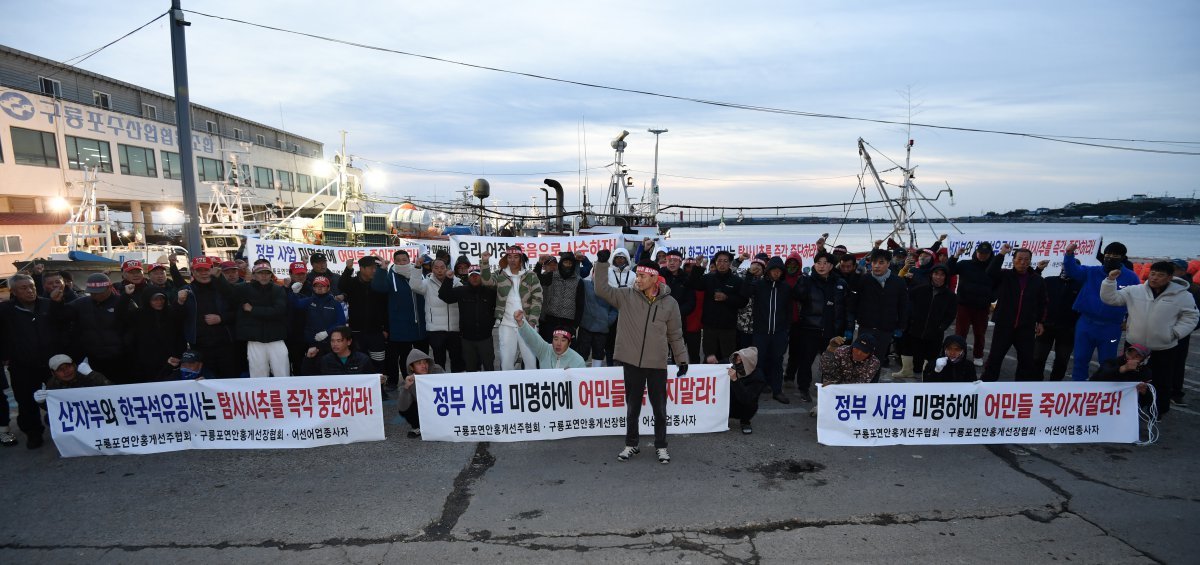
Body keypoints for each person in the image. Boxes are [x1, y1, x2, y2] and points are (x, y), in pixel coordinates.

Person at [594, 253, 688, 465]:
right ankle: (631, 443)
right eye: (637, 275)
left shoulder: (670, 303)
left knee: (660, 409)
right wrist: (601, 264)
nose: (638, 279)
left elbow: (675, 334)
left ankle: (661, 446)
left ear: (655, 278)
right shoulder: (626, 295)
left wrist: (682, 360)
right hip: (632, 363)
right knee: (632, 407)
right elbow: (601, 289)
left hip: (657, 364)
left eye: (643, 276)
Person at [1100, 262, 1199, 416]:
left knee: (1162, 380)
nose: (1154, 278)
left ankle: (1158, 411)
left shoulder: (1183, 296)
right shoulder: (1136, 290)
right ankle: (1131, 409)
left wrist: (1175, 333)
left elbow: (1191, 316)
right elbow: (1111, 299)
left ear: (1170, 277)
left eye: (1160, 275)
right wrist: (1110, 281)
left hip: (1163, 346)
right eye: (1153, 274)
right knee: (1131, 378)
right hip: (1135, 346)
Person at [0, 273, 65, 448]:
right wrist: (6, 354)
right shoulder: (5, 310)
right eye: (24, 288)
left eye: (32, 286)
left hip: (51, 363)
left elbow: (63, 325)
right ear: (13, 291)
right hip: (22, 365)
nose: (30, 290)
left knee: (61, 395)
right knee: (26, 401)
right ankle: (33, 433)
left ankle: (66, 429)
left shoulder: (48, 304)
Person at [1063, 241, 1141, 381]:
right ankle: (1078, 388)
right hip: (1086, 323)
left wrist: (1129, 320)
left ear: (1123, 257)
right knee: (1080, 358)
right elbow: (1073, 270)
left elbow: (1136, 301)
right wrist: (1069, 255)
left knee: (1108, 362)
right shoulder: (1091, 271)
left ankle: (1104, 391)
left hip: (1111, 327)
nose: (1110, 257)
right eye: (1108, 254)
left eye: (1115, 255)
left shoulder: (1131, 277)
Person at [981, 245, 1047, 381]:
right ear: (1013, 260)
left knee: (1026, 360)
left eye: (1026, 259)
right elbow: (990, 272)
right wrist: (1001, 254)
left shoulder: (1037, 280)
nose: (1023, 262)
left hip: (1026, 327)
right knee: (995, 357)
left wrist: (1040, 322)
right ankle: (986, 386)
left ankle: (1020, 390)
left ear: (1030, 261)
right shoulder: (1005, 275)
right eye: (1019, 259)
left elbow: (1042, 302)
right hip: (1004, 325)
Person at [789, 251, 847, 402]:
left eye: (825, 263)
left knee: (830, 362)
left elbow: (844, 308)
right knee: (806, 361)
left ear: (832, 266)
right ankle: (803, 388)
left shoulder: (840, 283)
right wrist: (801, 283)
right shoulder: (807, 281)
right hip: (810, 328)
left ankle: (827, 389)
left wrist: (843, 328)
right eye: (818, 263)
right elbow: (795, 296)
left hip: (831, 330)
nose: (821, 266)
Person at [53, 272, 127, 382]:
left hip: (121, 360)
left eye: (99, 292)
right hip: (93, 360)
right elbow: (61, 317)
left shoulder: (122, 302)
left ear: (110, 288)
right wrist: (57, 302)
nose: (95, 295)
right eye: (92, 293)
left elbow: (133, 330)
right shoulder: (81, 303)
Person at [175, 257, 241, 378]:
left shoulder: (223, 288)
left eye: (206, 269)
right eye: (199, 270)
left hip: (225, 344)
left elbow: (239, 311)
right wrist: (179, 302)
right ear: (193, 272)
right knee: (205, 381)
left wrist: (221, 318)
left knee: (229, 379)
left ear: (212, 270)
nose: (204, 273)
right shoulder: (185, 291)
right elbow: (177, 319)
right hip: (200, 347)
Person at [395, 257, 463, 372]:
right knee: (439, 360)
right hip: (435, 329)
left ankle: (455, 383)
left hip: (455, 329)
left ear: (447, 269)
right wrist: (417, 268)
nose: (440, 270)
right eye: (436, 268)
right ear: (432, 269)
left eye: (442, 268)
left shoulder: (457, 283)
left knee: (456, 359)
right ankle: (440, 383)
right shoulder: (427, 283)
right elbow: (415, 286)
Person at [480, 247, 542, 371]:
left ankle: (529, 387)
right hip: (506, 324)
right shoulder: (500, 274)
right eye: (509, 257)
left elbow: (538, 298)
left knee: (530, 361)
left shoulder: (531, 276)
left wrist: (532, 321)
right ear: (506, 259)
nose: (512, 260)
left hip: (527, 324)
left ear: (521, 259)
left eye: (516, 257)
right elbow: (486, 282)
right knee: (506, 362)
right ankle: (508, 387)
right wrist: (485, 262)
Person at [847, 249, 908, 376]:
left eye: (881, 262)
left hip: (886, 329)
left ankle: (872, 389)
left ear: (888, 263)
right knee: (860, 358)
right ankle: (859, 387)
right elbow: (852, 294)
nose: (876, 265)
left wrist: (901, 326)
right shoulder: (865, 280)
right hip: (866, 326)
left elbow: (903, 306)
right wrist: (857, 272)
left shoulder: (898, 282)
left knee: (877, 361)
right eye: (874, 262)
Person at [744, 257, 796, 403]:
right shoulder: (759, 285)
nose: (776, 273)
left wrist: (786, 329)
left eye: (779, 271)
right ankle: (757, 388)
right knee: (759, 362)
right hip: (761, 332)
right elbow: (745, 292)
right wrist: (749, 274)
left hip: (779, 333)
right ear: (768, 271)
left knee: (777, 362)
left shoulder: (785, 288)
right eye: (774, 270)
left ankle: (777, 391)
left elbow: (788, 310)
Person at [372, 250, 428, 384]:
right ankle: (408, 382)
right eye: (398, 260)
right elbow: (379, 287)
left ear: (409, 260)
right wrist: (382, 269)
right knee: (405, 357)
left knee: (422, 356)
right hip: (401, 327)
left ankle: (423, 382)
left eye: (404, 260)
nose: (402, 263)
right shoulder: (390, 275)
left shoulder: (419, 273)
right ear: (394, 262)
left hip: (420, 325)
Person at [688, 250, 747, 364]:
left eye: (725, 261)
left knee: (729, 359)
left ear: (730, 263)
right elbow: (693, 284)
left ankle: (729, 381)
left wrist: (727, 298)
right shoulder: (708, 278)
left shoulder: (737, 281)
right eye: (719, 261)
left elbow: (743, 301)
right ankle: (709, 381)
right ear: (715, 263)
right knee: (709, 358)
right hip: (710, 327)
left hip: (728, 328)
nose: (722, 264)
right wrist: (697, 266)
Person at [439, 265, 498, 372]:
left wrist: (491, 322)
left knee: (489, 367)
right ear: (468, 277)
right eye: (472, 275)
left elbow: (500, 305)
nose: (474, 278)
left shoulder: (490, 292)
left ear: (482, 277)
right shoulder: (462, 291)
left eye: (477, 275)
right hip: (467, 340)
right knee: (470, 369)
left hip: (486, 338)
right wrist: (448, 279)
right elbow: (444, 295)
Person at [902, 264, 957, 379]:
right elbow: (906, 299)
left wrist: (942, 327)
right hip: (917, 328)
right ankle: (914, 372)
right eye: (936, 274)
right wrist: (911, 320)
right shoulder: (920, 289)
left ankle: (927, 376)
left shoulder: (950, 296)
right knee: (916, 353)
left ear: (945, 277)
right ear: (931, 275)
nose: (938, 277)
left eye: (942, 275)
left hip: (935, 332)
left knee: (932, 356)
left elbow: (951, 314)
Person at [947, 241, 996, 367]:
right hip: (964, 305)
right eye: (980, 252)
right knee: (960, 333)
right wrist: (956, 255)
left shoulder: (993, 267)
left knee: (980, 334)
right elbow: (949, 270)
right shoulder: (965, 264)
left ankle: (978, 355)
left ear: (990, 254)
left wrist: (992, 298)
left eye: (986, 253)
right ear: (976, 252)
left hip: (982, 307)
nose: (982, 255)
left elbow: (998, 286)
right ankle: (958, 354)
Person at [236, 264, 290, 377]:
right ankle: (259, 394)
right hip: (255, 339)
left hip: (276, 337)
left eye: (267, 273)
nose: (264, 276)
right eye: (260, 273)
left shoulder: (278, 289)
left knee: (282, 372)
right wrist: (218, 278)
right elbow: (227, 290)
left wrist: (253, 309)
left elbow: (278, 311)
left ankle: (284, 393)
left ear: (271, 275)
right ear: (254, 275)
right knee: (257, 374)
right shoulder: (244, 288)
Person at [122, 289, 183, 382]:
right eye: (155, 299)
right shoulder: (138, 314)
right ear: (148, 300)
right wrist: (126, 296)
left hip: (170, 360)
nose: (159, 302)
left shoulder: (171, 312)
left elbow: (179, 335)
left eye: (161, 299)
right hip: (146, 362)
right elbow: (120, 315)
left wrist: (178, 354)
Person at [339, 256, 388, 372]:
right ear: (362, 268)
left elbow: (386, 308)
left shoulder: (379, 284)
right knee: (358, 363)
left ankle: (379, 388)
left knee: (379, 363)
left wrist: (386, 328)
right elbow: (341, 286)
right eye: (371, 268)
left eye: (376, 268)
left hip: (377, 332)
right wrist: (348, 269)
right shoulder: (352, 283)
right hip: (357, 333)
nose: (374, 270)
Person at [1034, 269, 1082, 381]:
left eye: (1072, 267)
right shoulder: (1049, 281)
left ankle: (1055, 385)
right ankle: (1036, 383)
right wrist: (1039, 321)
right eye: (1065, 266)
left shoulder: (1081, 285)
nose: (1067, 269)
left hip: (1068, 329)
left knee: (1062, 360)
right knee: (1038, 358)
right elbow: (1038, 300)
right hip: (1046, 326)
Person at [293, 276, 347, 370]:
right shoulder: (309, 301)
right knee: (312, 369)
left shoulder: (335, 303)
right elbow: (296, 305)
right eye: (316, 286)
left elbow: (341, 321)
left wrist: (327, 332)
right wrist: (294, 294)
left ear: (328, 287)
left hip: (330, 344)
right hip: (312, 343)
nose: (319, 288)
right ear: (313, 288)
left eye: (322, 286)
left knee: (331, 369)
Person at [536, 252, 585, 343]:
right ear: (561, 263)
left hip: (568, 323)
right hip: (550, 320)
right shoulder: (552, 276)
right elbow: (536, 279)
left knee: (565, 351)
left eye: (570, 263)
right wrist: (539, 264)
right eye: (565, 262)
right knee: (549, 348)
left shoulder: (578, 281)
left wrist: (575, 326)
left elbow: (580, 305)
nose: (568, 265)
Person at [1089, 343, 1154, 412]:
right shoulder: (1112, 362)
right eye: (1130, 353)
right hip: (1102, 401)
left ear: (1144, 360)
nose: (1132, 357)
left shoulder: (1146, 372)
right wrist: (1121, 369)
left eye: (1137, 356)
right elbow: (1095, 379)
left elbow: (1150, 399)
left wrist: (1144, 392)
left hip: (1124, 408)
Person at [513, 310, 587, 369]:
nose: (558, 343)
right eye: (556, 339)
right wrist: (520, 322)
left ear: (569, 343)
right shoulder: (544, 350)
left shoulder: (578, 361)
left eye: (563, 340)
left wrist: (570, 376)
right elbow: (532, 337)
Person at [400, 349, 446, 438]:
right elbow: (402, 404)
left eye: (425, 362)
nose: (423, 366)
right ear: (411, 367)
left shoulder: (437, 369)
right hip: (423, 406)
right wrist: (406, 387)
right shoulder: (409, 380)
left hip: (441, 402)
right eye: (419, 363)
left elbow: (450, 385)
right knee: (405, 406)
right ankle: (417, 427)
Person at [573, 276, 617, 367]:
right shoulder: (585, 284)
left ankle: (596, 376)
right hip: (585, 326)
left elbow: (615, 308)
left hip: (602, 328)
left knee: (598, 353)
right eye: (595, 272)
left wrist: (607, 321)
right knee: (582, 352)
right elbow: (576, 274)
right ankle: (580, 375)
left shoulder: (611, 289)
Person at [306, 326, 378, 376]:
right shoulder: (325, 360)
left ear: (349, 342)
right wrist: (308, 359)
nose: (335, 344)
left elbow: (372, 381)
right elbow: (311, 379)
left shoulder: (363, 359)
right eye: (332, 341)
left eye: (339, 341)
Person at [725, 347, 765, 435]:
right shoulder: (730, 366)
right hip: (728, 403)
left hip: (743, 406)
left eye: (740, 360)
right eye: (736, 359)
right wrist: (713, 364)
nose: (737, 362)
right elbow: (718, 365)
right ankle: (719, 420)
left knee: (751, 403)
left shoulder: (758, 378)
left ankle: (745, 421)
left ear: (748, 363)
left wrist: (735, 380)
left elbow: (746, 399)